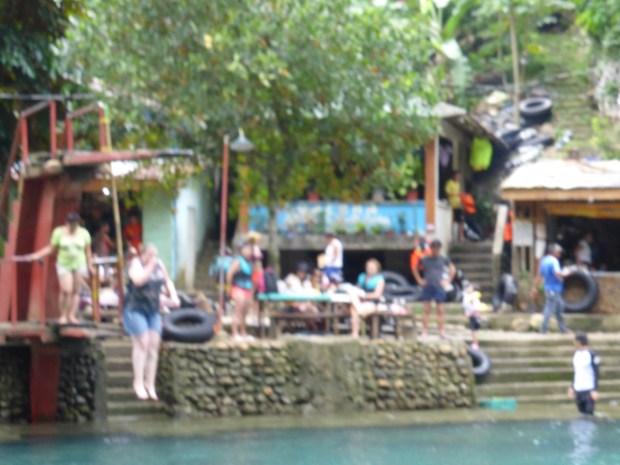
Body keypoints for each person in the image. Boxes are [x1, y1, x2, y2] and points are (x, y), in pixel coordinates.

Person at [123, 243, 179, 400]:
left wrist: (173, 295)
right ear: (143, 255)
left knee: (153, 347)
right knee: (142, 343)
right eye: (150, 255)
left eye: (155, 255)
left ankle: (150, 384)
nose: (153, 258)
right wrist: (149, 267)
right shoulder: (135, 264)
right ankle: (138, 382)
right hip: (135, 308)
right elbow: (138, 281)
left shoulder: (159, 264)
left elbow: (167, 281)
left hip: (153, 309)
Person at [20, 213, 95, 325]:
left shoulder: (84, 233)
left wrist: (90, 265)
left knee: (76, 291)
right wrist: (36, 255)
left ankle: (72, 315)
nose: (73, 226)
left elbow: (88, 251)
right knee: (66, 290)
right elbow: (51, 248)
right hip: (64, 263)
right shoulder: (59, 232)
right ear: (67, 223)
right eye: (71, 223)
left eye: (75, 223)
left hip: (79, 263)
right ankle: (63, 315)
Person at [413, 239, 455, 339]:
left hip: (439, 286)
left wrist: (448, 281)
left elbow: (453, 269)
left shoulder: (443, 258)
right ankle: (424, 331)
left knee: (440, 310)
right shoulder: (425, 258)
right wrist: (419, 279)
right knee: (426, 310)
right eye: (434, 248)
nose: (436, 251)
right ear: (431, 248)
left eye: (437, 249)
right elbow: (414, 268)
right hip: (428, 285)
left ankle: (442, 332)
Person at [533, 243, 570, 334]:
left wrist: (534, 287)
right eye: (558, 252)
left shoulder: (544, 260)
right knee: (549, 309)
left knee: (559, 308)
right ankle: (543, 329)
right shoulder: (554, 261)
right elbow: (557, 274)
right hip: (554, 289)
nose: (560, 254)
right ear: (553, 252)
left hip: (549, 288)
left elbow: (539, 275)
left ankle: (563, 329)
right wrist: (566, 273)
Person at [349, 258, 385, 338]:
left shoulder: (380, 280)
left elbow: (377, 295)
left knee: (354, 310)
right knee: (353, 305)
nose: (369, 269)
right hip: (360, 302)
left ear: (377, 269)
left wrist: (364, 295)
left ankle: (355, 333)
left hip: (372, 302)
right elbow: (357, 288)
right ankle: (355, 333)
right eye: (368, 267)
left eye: (372, 268)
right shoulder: (362, 277)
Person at [226, 242, 255, 342]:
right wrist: (229, 288)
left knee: (245, 313)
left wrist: (251, 292)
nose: (248, 252)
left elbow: (252, 277)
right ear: (241, 250)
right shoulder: (238, 261)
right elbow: (229, 274)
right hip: (238, 287)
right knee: (237, 311)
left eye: (250, 250)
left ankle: (243, 333)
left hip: (247, 289)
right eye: (246, 249)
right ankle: (234, 333)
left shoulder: (250, 263)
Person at [568, 332, 600, 415]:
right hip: (578, 389)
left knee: (589, 413)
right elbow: (576, 372)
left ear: (579, 341)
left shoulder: (592, 354)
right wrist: (572, 387)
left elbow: (597, 373)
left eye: (575, 341)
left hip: (588, 389)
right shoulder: (576, 354)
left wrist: (595, 390)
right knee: (581, 414)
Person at [445, 171, 464, 242]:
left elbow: (459, 195)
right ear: (453, 176)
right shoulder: (449, 183)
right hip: (452, 205)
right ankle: (452, 238)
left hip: (458, 204)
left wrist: (461, 202)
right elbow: (447, 193)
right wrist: (456, 194)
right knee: (452, 221)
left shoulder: (458, 184)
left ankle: (460, 237)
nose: (458, 177)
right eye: (457, 176)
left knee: (461, 220)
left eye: (459, 176)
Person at [463, 284, 483, 350]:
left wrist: (469, 314)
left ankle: (476, 344)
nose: (469, 289)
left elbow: (475, 309)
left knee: (474, 331)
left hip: (474, 317)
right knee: (473, 331)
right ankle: (475, 343)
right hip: (473, 317)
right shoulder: (472, 298)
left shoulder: (475, 299)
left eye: (470, 288)